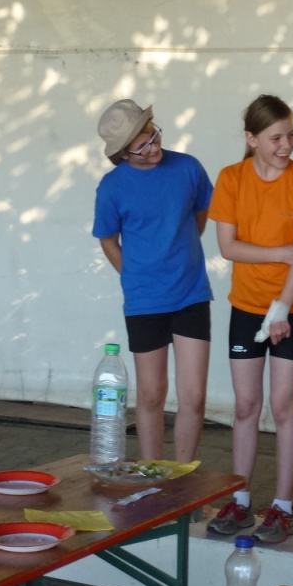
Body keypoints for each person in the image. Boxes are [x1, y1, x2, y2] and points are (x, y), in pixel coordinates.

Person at [207, 95, 293, 543]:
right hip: (245, 307)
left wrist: (280, 309)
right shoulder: (231, 179)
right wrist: (281, 252)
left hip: (289, 309)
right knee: (245, 406)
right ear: (251, 138)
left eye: (291, 135)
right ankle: (239, 501)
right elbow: (228, 247)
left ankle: (282, 507)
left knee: (282, 406)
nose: (286, 145)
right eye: (276, 137)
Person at [92, 99, 213, 462]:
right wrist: (133, 274)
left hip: (191, 294)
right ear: (123, 154)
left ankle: (185, 476)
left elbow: (201, 215)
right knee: (150, 395)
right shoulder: (111, 187)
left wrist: (180, 255)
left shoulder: (188, 168)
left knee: (194, 396)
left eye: (153, 135)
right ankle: (153, 475)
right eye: (141, 146)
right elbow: (108, 240)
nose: (153, 147)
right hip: (144, 301)